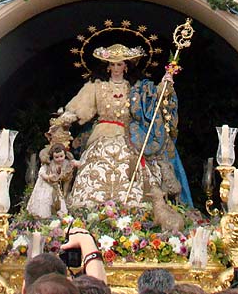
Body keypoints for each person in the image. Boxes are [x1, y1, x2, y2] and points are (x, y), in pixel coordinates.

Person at [60, 43, 192, 208]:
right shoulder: (96, 86)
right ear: (108, 66)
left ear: (126, 66)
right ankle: (90, 206)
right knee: (94, 164)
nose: (116, 68)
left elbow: (153, 101)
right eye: (113, 64)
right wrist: (65, 118)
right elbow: (80, 107)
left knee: (135, 166)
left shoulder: (136, 88)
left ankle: (134, 207)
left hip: (128, 136)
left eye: (120, 64)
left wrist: (165, 84)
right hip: (101, 136)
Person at [27, 143, 78, 218]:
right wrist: (48, 177)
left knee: (59, 199)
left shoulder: (66, 163)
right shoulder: (49, 164)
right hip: (46, 186)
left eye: (61, 156)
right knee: (46, 200)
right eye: (56, 157)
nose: (59, 159)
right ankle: (45, 216)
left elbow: (72, 165)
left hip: (56, 186)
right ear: (52, 157)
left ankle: (60, 214)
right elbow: (41, 172)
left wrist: (77, 163)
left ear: (65, 155)